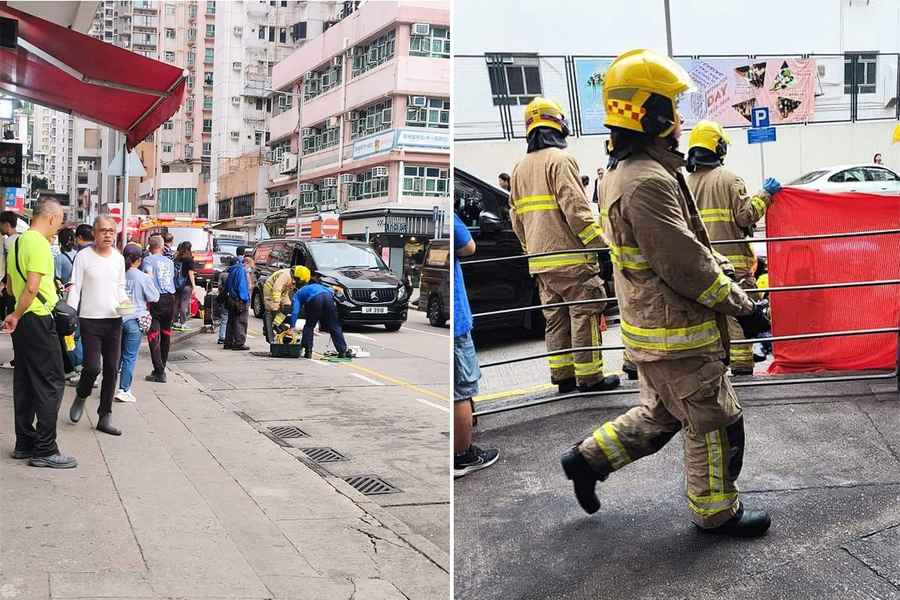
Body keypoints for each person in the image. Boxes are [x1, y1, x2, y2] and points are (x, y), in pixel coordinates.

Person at [561, 49, 772, 538]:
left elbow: (689, 246)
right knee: (714, 421)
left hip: (658, 333)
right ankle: (716, 512)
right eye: (672, 106)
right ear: (650, 112)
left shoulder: (634, 170)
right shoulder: (646, 181)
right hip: (677, 334)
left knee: (660, 415)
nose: (680, 119)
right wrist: (745, 308)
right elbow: (687, 265)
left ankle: (588, 460)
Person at [509, 97, 620, 394]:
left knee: (555, 320)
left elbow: (516, 219)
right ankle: (590, 378)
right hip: (571, 259)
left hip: (540, 262)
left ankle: (563, 377)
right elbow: (577, 211)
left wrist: (529, 249)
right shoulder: (561, 161)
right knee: (583, 315)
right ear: (558, 125)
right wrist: (601, 246)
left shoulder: (519, 168)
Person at [686, 120, 781, 375]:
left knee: (712, 317)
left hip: (702, 263)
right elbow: (746, 216)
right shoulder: (730, 179)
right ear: (717, 148)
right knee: (738, 313)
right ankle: (741, 365)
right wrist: (765, 195)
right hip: (734, 264)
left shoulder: (684, 184)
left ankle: (720, 363)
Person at [3, 196, 77, 468]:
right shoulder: (40, 244)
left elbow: (11, 287)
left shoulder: (17, 242)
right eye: (59, 221)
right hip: (35, 319)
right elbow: (32, 287)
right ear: (50, 217)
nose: (58, 228)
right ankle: (45, 448)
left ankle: (25, 442)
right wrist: (18, 314)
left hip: (22, 322)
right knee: (51, 381)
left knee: (24, 380)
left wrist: (14, 315)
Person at [66, 216, 129, 436]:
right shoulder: (83, 257)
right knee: (93, 367)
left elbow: (120, 288)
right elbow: (75, 288)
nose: (108, 235)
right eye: (103, 231)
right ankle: (81, 395)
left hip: (113, 321)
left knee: (112, 369)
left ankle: (105, 416)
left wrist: (126, 305)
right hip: (89, 321)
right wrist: (70, 314)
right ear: (94, 233)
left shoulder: (118, 259)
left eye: (112, 231)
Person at [453, 213, 499, 478]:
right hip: (458, 320)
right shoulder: (449, 213)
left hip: (456, 318)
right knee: (461, 390)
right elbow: (469, 246)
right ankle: (462, 455)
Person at [115, 244, 159, 403]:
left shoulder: (117, 275)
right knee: (129, 357)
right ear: (139, 260)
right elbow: (154, 297)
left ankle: (107, 387)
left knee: (114, 356)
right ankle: (124, 390)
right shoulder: (143, 277)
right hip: (135, 320)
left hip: (117, 318)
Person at [288, 268, 351, 359]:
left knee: (309, 326)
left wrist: (292, 327)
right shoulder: (321, 286)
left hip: (314, 300)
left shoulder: (298, 293)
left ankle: (308, 351)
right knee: (334, 325)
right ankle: (342, 351)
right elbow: (337, 294)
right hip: (328, 297)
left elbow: (295, 312)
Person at [142, 234, 176, 383]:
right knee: (166, 334)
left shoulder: (147, 260)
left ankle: (159, 371)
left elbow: (148, 277)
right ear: (162, 247)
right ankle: (162, 366)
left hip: (156, 300)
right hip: (170, 298)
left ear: (149, 247)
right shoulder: (169, 262)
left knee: (153, 335)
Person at [262, 265, 304, 342]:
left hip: (283, 292)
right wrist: (277, 302)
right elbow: (276, 288)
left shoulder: (292, 277)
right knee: (273, 309)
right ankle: (267, 328)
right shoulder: (285, 275)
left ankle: (276, 324)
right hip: (271, 290)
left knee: (287, 307)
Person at [0, 210, 20, 369]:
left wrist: (4, 284)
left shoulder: (8, 242)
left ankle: (17, 355)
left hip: (10, 288)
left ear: (6, 225)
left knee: (11, 320)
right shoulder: (22, 239)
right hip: (19, 288)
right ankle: (18, 356)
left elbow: (8, 268)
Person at [223, 255, 251, 351]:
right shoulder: (241, 270)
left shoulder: (231, 271)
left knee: (231, 321)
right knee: (241, 321)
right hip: (239, 299)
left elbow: (227, 286)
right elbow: (242, 286)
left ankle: (228, 342)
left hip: (231, 298)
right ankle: (239, 342)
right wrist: (244, 299)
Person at [172, 241, 196, 332]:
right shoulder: (189, 259)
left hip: (177, 284)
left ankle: (174, 322)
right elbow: (191, 273)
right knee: (184, 304)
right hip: (187, 285)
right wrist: (194, 285)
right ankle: (183, 323)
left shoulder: (177, 258)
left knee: (176, 303)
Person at [216, 255, 235, 344]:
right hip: (233, 299)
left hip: (224, 298)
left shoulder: (222, 274)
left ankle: (221, 337)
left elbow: (219, 286)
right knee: (233, 319)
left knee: (224, 318)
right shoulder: (235, 273)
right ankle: (231, 337)